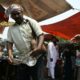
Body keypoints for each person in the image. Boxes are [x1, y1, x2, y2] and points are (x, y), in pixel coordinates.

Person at [6, 4, 44, 80]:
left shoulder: (31, 22)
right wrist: (10, 55)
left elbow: (40, 35)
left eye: (18, 13)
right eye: (14, 14)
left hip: (35, 56)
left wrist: (39, 47)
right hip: (22, 59)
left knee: (37, 78)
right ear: (11, 16)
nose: (16, 16)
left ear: (22, 12)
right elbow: (9, 42)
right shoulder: (11, 28)